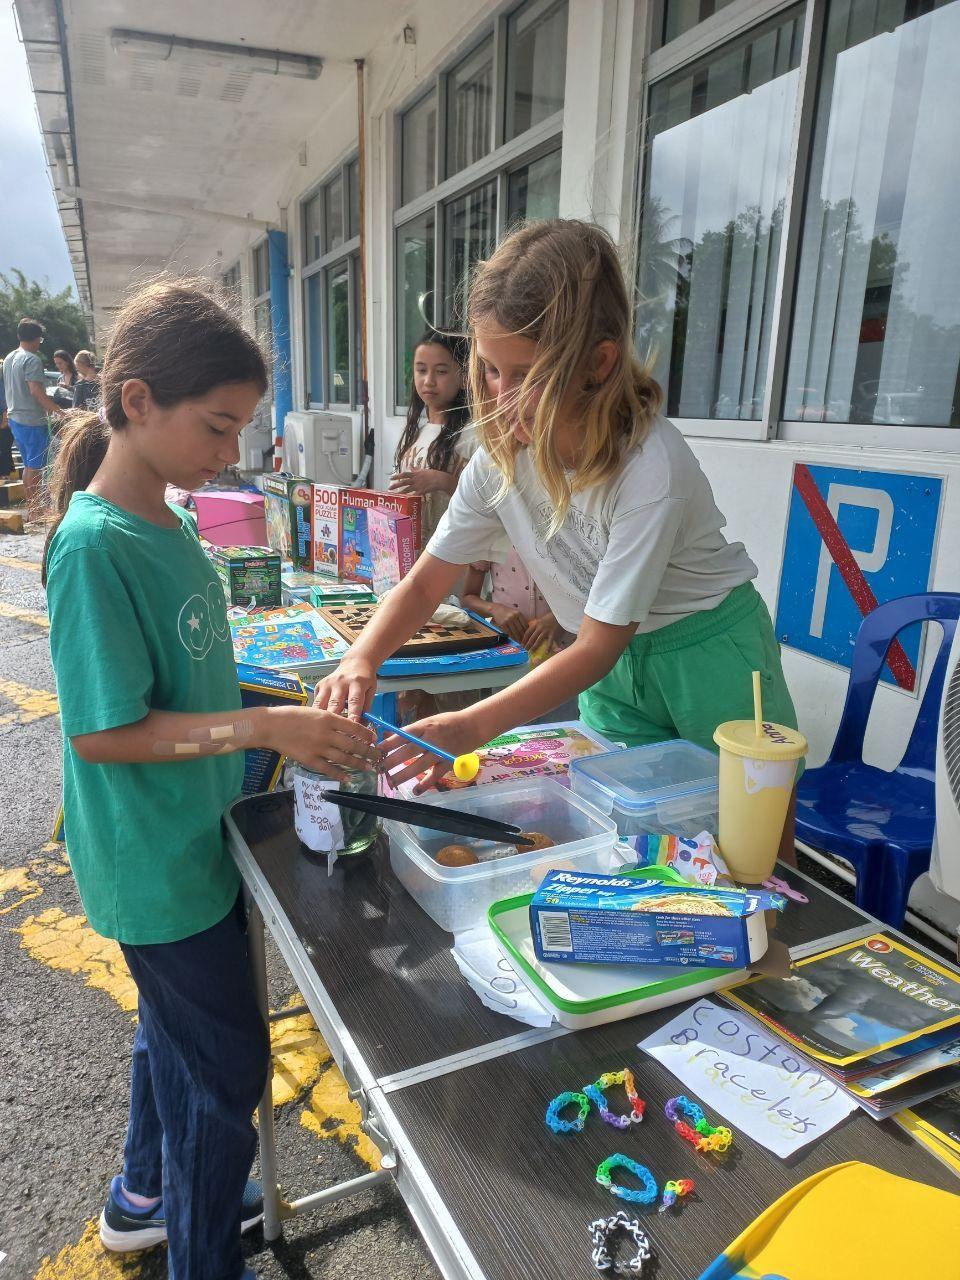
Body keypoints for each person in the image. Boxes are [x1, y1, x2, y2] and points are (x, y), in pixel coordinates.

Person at [43, 280, 376, 1279]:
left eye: (240, 430)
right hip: (154, 866)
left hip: (195, 839)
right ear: (137, 401)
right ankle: (199, 1254)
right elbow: (104, 733)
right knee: (225, 1068)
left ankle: (144, 1197)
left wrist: (284, 705)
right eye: (217, 427)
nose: (231, 454)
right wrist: (268, 725)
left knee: (178, 1037)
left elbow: (192, 677)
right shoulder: (95, 547)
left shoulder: (174, 521)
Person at [316, 219, 801, 860]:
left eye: (528, 374)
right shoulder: (497, 460)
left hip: (707, 652)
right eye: (491, 370)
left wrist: (471, 725)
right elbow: (429, 581)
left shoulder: (649, 468)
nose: (503, 396)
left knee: (752, 840)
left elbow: (598, 644)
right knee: (627, 833)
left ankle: (784, 921)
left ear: (598, 363)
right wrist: (362, 657)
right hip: (613, 666)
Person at [389, 329, 474, 542]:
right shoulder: (413, 434)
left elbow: (489, 505)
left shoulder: (474, 435)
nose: (428, 380)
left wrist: (442, 481)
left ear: (464, 378)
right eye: (421, 370)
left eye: (441, 371)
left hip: (454, 555)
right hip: (413, 551)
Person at [2, 318, 62, 520]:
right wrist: (59, 411)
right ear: (36, 338)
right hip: (32, 420)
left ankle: (32, 508)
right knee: (36, 467)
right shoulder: (32, 359)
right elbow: (35, 391)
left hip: (15, 418)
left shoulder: (10, 357)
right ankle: (36, 512)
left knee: (29, 465)